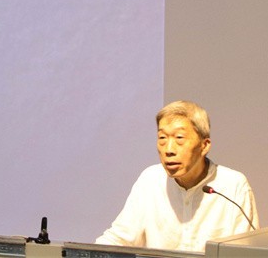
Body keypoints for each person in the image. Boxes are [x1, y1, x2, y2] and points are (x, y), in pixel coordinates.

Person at [95, 100, 258, 253]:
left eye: (179, 138)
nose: (169, 150)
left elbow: (244, 253)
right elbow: (119, 238)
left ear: (204, 145)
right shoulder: (150, 179)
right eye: (162, 138)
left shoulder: (233, 185)